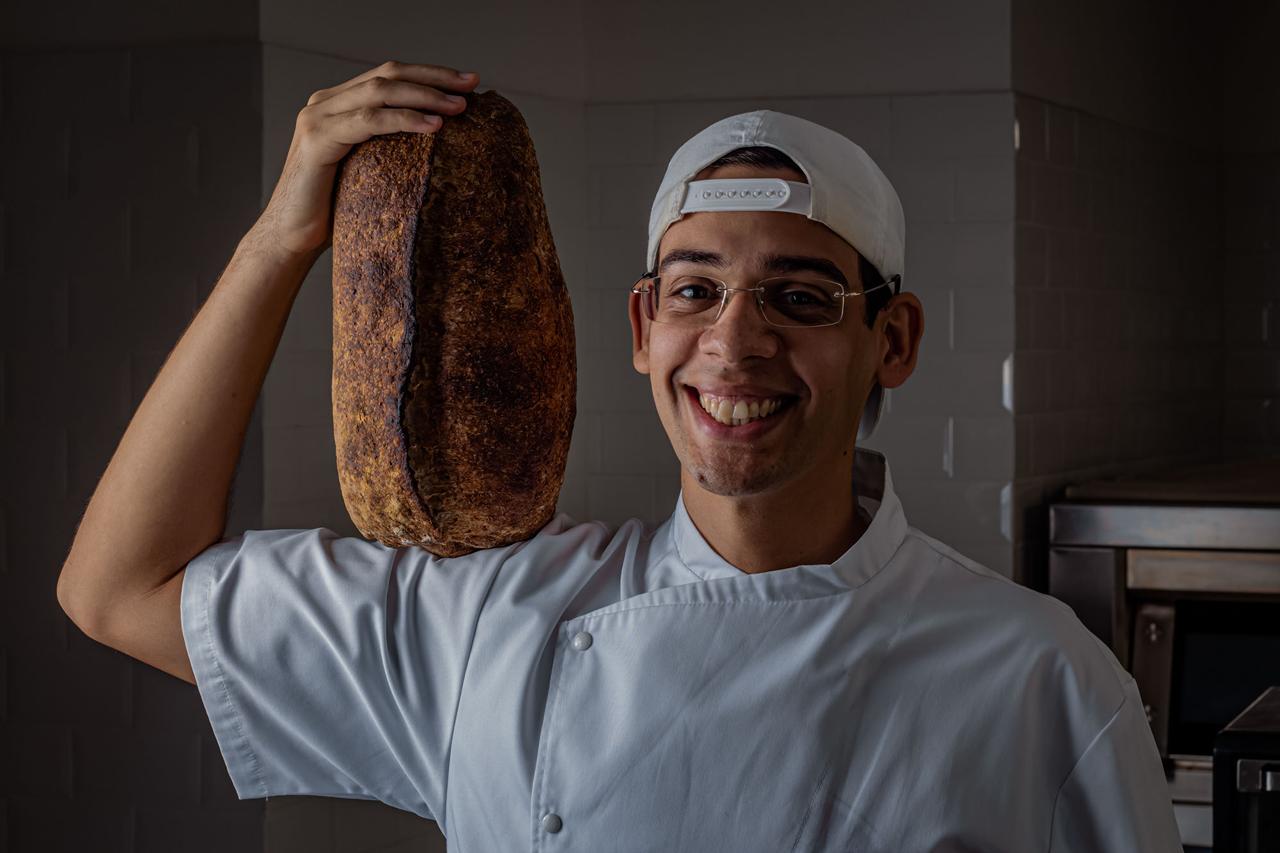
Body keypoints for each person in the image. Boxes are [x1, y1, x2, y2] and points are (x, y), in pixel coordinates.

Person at [56, 61, 1184, 852]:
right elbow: (119, 586)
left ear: (889, 341)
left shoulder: (1038, 678)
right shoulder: (490, 619)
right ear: (643, 330)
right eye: (694, 290)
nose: (734, 342)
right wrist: (279, 238)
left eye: (798, 296)